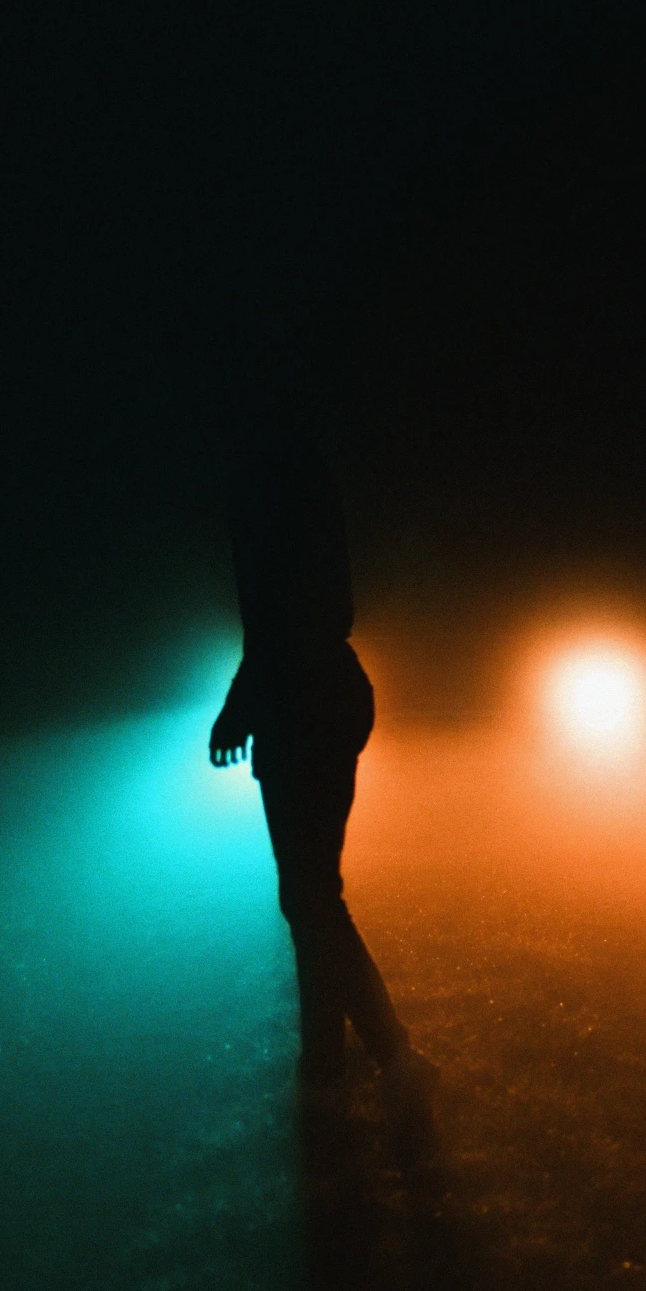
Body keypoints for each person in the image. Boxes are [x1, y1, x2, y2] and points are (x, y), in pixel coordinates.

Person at [208, 423, 437, 1128]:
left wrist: (241, 706)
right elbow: (295, 620)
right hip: (317, 699)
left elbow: (282, 625)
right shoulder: (298, 479)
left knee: (309, 896)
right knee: (310, 894)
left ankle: (381, 1058)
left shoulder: (271, 491)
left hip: (301, 704)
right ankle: (332, 1067)